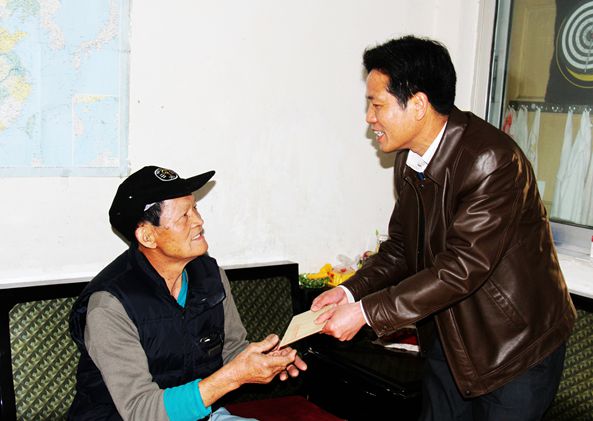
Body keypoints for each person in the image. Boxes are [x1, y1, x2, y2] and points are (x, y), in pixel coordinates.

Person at [312, 35, 576, 421]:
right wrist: (350, 292)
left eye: (377, 104)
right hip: (448, 339)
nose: (369, 117)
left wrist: (367, 313)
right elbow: (401, 248)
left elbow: (461, 268)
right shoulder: (410, 160)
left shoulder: (491, 161)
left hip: (512, 350)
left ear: (418, 105)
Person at [68, 165, 306, 420]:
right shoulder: (110, 305)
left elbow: (231, 348)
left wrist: (265, 360)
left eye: (195, 209)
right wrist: (233, 376)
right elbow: (140, 411)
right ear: (148, 236)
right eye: (184, 215)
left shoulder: (211, 277)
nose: (199, 221)